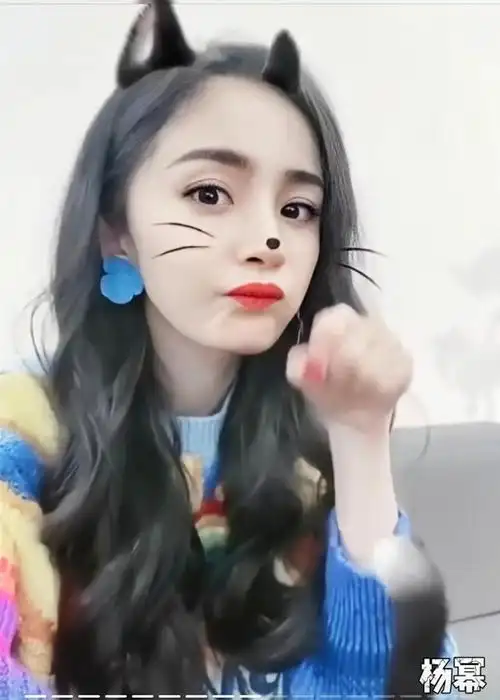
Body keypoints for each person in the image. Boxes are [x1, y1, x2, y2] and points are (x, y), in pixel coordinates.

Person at [0, 1, 455, 696]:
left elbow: (436, 680)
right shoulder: (22, 439)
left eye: (297, 209)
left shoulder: (312, 448)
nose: (268, 239)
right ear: (116, 232)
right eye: (209, 193)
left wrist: (362, 444)